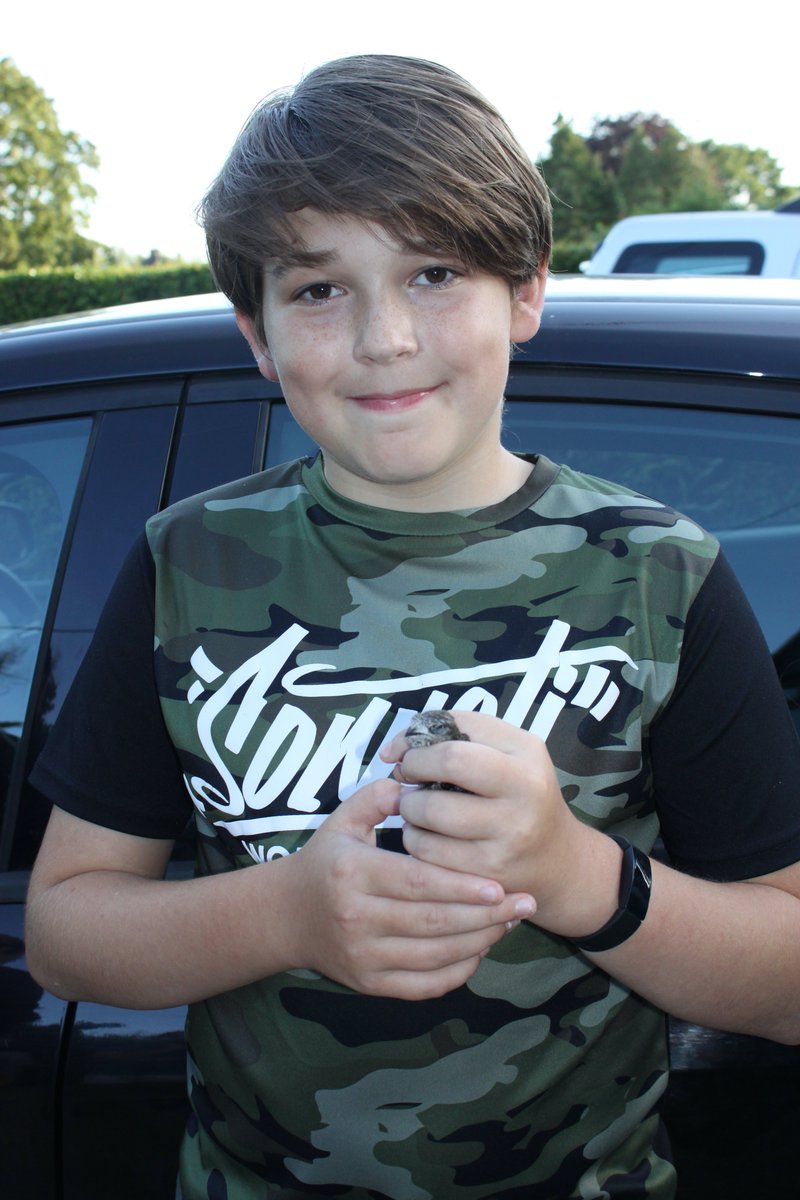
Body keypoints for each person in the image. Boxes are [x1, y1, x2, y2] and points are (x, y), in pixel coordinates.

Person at [24, 54, 800, 1200]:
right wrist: (287, 910)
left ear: (526, 292)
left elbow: (782, 982)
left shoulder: (659, 576)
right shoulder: (186, 564)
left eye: (435, 272)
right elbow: (65, 930)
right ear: (257, 333)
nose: (384, 337)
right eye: (319, 289)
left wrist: (577, 875)